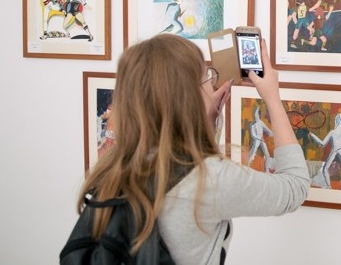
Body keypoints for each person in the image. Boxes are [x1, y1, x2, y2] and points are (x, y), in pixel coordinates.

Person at [75, 34, 309, 264]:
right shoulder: (211, 179)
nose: (212, 81)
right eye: (206, 75)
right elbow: (294, 187)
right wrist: (273, 98)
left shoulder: (114, 163)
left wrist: (206, 121)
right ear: (188, 96)